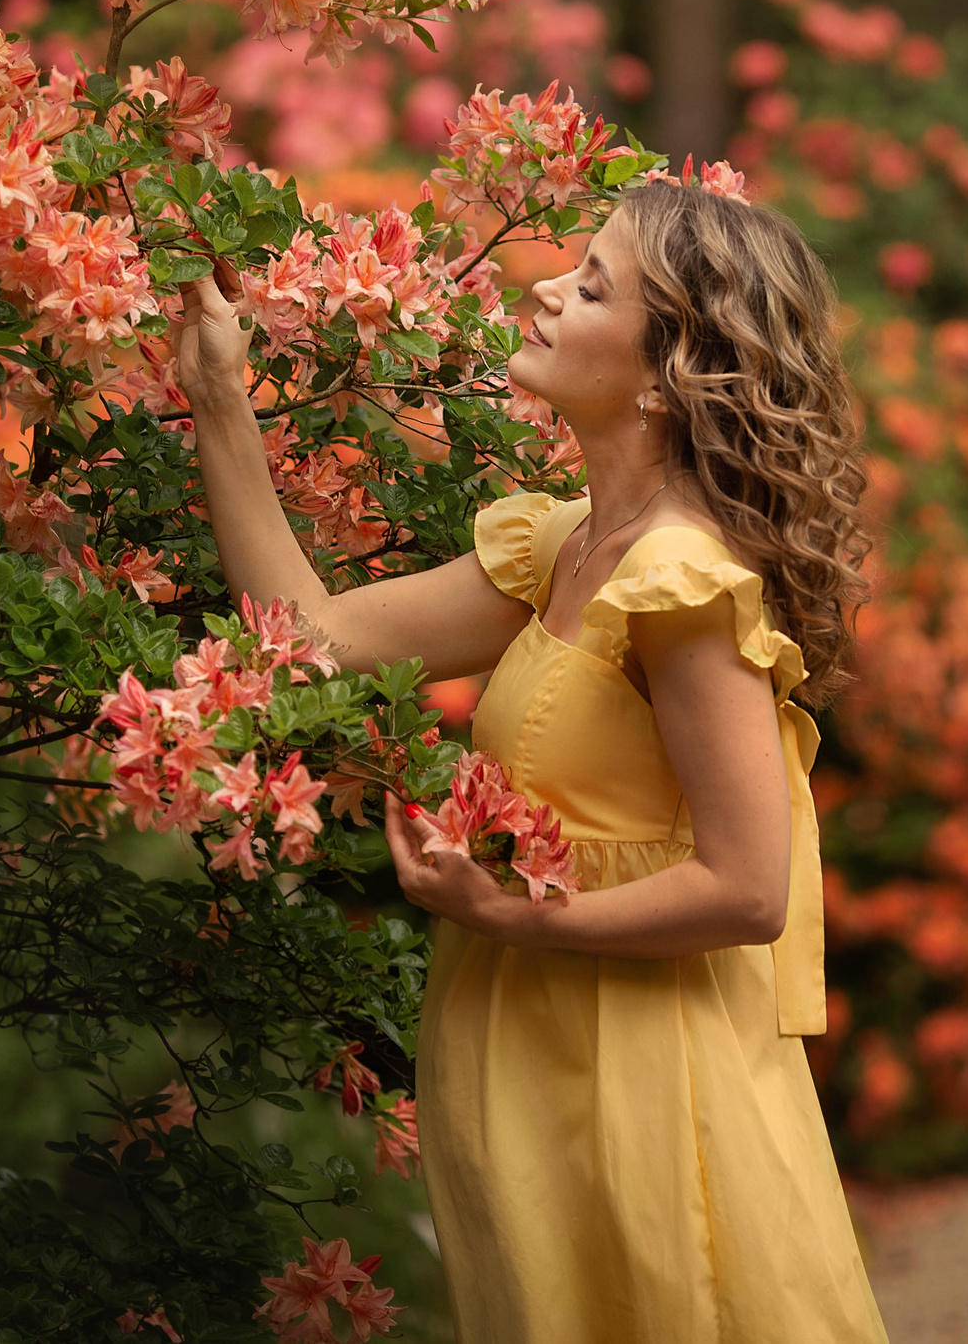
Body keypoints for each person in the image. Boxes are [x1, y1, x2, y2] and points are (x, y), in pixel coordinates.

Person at [171, 180, 889, 1343]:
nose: (546, 289)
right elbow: (308, 639)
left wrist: (521, 919)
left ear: (668, 372)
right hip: (528, 1054)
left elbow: (749, 888)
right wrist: (217, 396)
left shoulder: (680, 586)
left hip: (646, 1088)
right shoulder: (566, 545)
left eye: (592, 285)